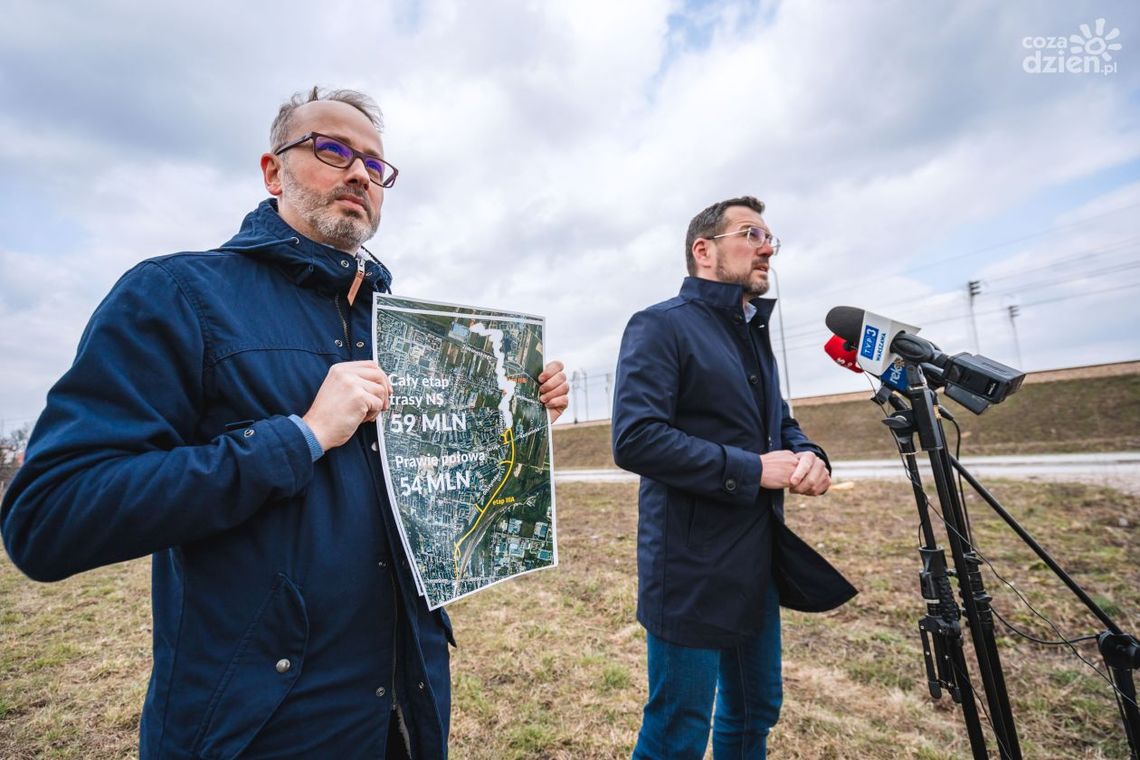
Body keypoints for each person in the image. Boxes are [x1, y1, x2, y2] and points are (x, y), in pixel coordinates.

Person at [0, 87, 569, 758]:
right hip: (260, 728)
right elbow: (47, 520)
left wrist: (508, 422)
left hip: (404, 716)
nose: (360, 173)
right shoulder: (179, 295)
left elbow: (427, 503)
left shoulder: (407, 333)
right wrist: (298, 436)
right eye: (332, 150)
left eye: (376, 166)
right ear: (273, 172)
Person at [611, 196, 855, 759]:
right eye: (751, 234)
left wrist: (809, 454)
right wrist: (752, 469)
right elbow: (635, 438)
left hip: (756, 558)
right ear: (704, 250)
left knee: (755, 711)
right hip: (690, 566)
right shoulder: (660, 326)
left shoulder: (751, 334)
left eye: (772, 238)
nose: (767, 247)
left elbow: (779, 422)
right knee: (679, 729)